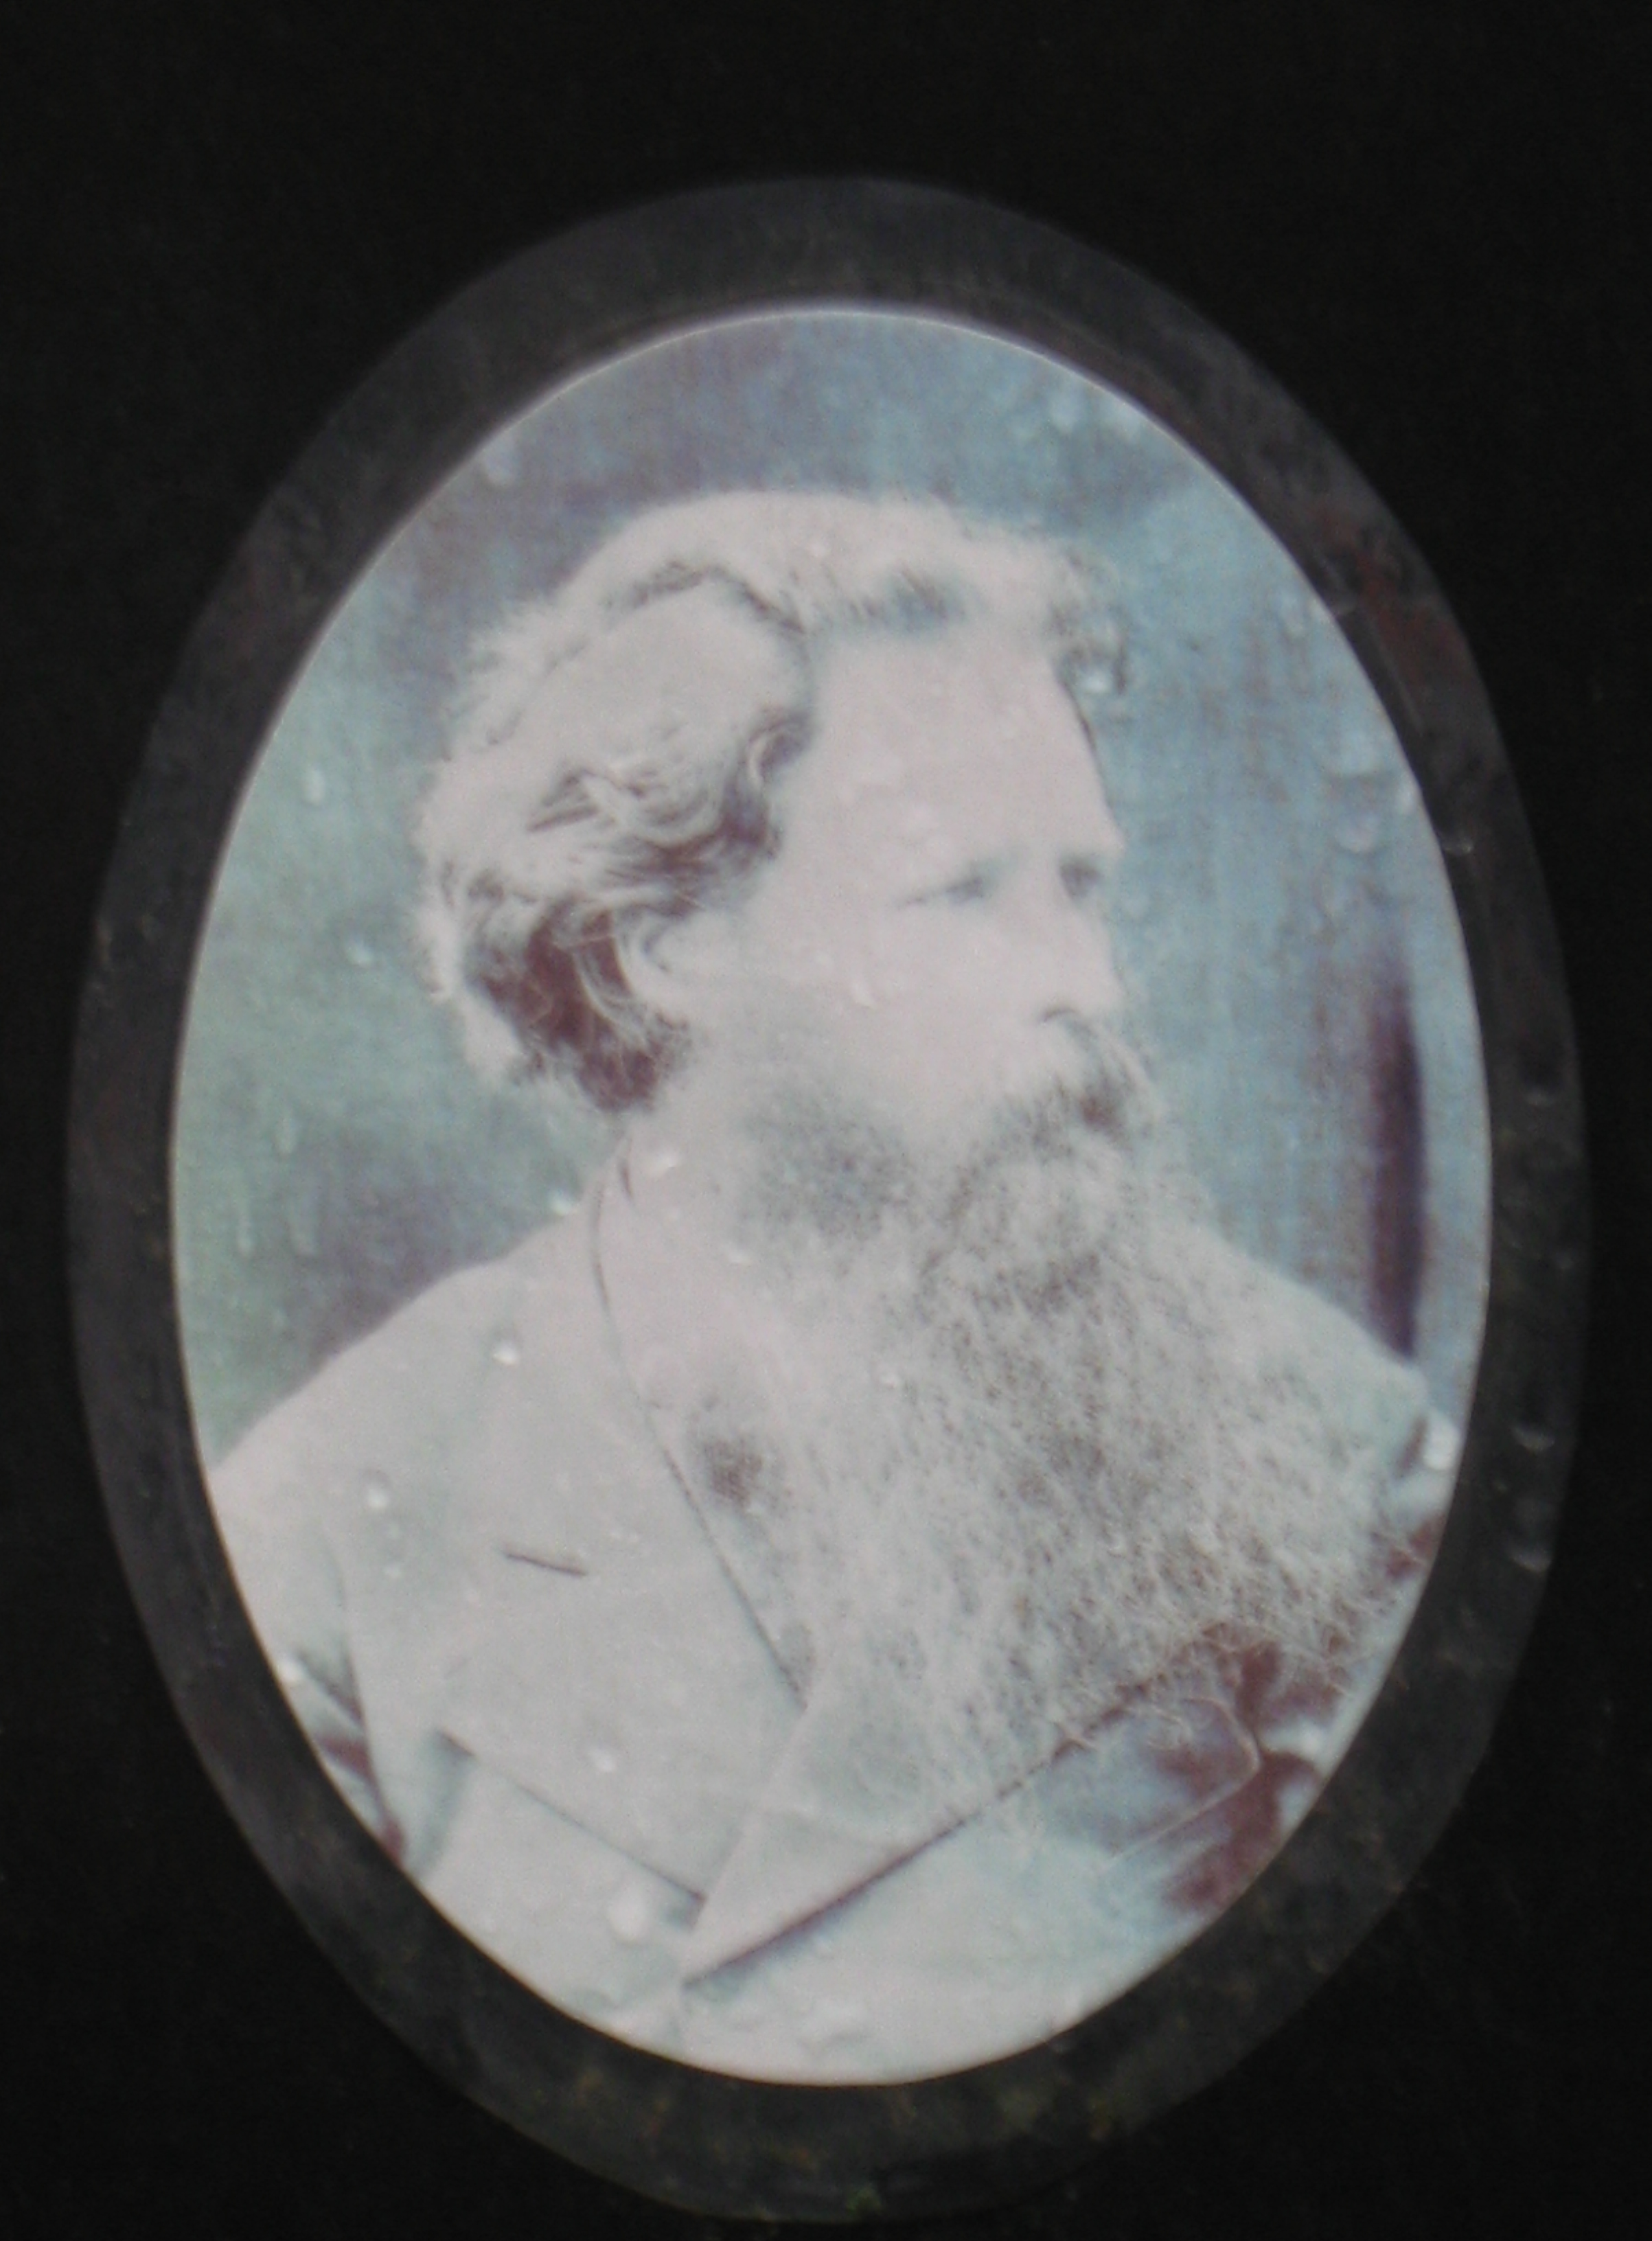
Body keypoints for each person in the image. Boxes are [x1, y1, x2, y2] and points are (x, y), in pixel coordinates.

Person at [212, 492, 1454, 2082]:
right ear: (666, 948)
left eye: (1081, 887)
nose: (1086, 983)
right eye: (963, 893)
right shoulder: (332, 1529)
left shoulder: (1325, 1455)